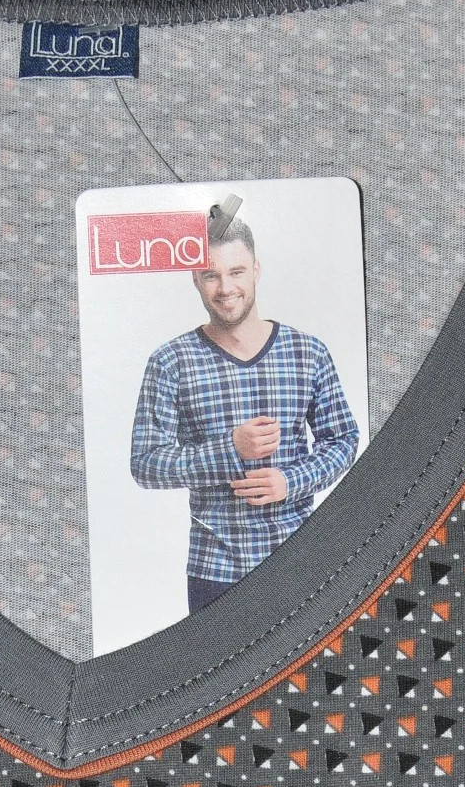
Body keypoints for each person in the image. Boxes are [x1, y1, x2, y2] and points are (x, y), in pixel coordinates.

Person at [129, 214, 360, 613]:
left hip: (299, 561)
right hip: (214, 571)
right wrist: (231, 450)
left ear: (256, 269)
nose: (225, 288)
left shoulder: (308, 352)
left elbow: (343, 440)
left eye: (236, 271)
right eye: (211, 275)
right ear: (195, 279)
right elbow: (145, 464)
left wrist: (290, 481)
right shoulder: (171, 362)